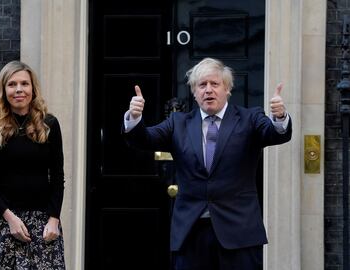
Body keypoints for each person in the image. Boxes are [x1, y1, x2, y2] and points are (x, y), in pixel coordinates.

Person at [123, 58, 292, 270]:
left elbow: (275, 135)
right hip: (191, 234)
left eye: (215, 84)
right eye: (202, 85)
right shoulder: (178, 124)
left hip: (239, 235)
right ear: (194, 92)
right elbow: (143, 139)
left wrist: (280, 117)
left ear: (227, 88)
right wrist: (135, 117)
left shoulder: (250, 118)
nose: (208, 90)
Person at [0, 61, 65, 269]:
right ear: (4, 90)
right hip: (3, 222)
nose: (19, 89)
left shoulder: (49, 124)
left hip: (43, 224)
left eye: (25, 83)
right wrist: (10, 218)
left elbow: (57, 176)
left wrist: (53, 219)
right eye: (12, 84)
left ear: (33, 88)